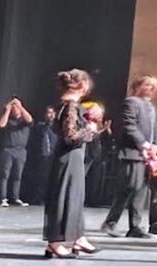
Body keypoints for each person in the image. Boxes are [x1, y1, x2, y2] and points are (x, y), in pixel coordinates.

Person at [43, 68, 100, 258]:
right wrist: (91, 129)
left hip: (73, 156)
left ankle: (77, 237)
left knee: (74, 196)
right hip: (68, 156)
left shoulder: (68, 105)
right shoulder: (70, 106)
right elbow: (70, 136)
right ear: (82, 85)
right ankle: (56, 241)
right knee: (64, 196)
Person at [102, 75, 157, 238]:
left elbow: (154, 129)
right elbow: (129, 126)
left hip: (146, 156)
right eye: (147, 84)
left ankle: (135, 227)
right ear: (138, 86)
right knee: (127, 189)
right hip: (132, 153)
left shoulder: (151, 107)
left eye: (153, 85)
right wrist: (144, 144)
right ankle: (110, 223)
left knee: (140, 190)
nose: (151, 88)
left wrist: (155, 145)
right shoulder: (131, 102)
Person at [0, 95, 33, 207]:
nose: (16, 110)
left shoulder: (24, 122)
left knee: (18, 175)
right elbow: (1, 124)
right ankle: (3, 198)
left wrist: (20, 106)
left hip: (21, 151)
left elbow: (30, 119)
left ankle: (15, 197)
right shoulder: (8, 120)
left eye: (16, 108)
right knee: (5, 175)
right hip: (8, 150)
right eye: (14, 109)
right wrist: (8, 110)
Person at [27, 105, 58, 204]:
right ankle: (39, 198)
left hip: (54, 155)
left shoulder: (58, 128)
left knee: (55, 179)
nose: (51, 115)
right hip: (43, 156)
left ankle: (52, 199)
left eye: (53, 113)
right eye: (49, 113)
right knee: (42, 178)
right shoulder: (40, 127)